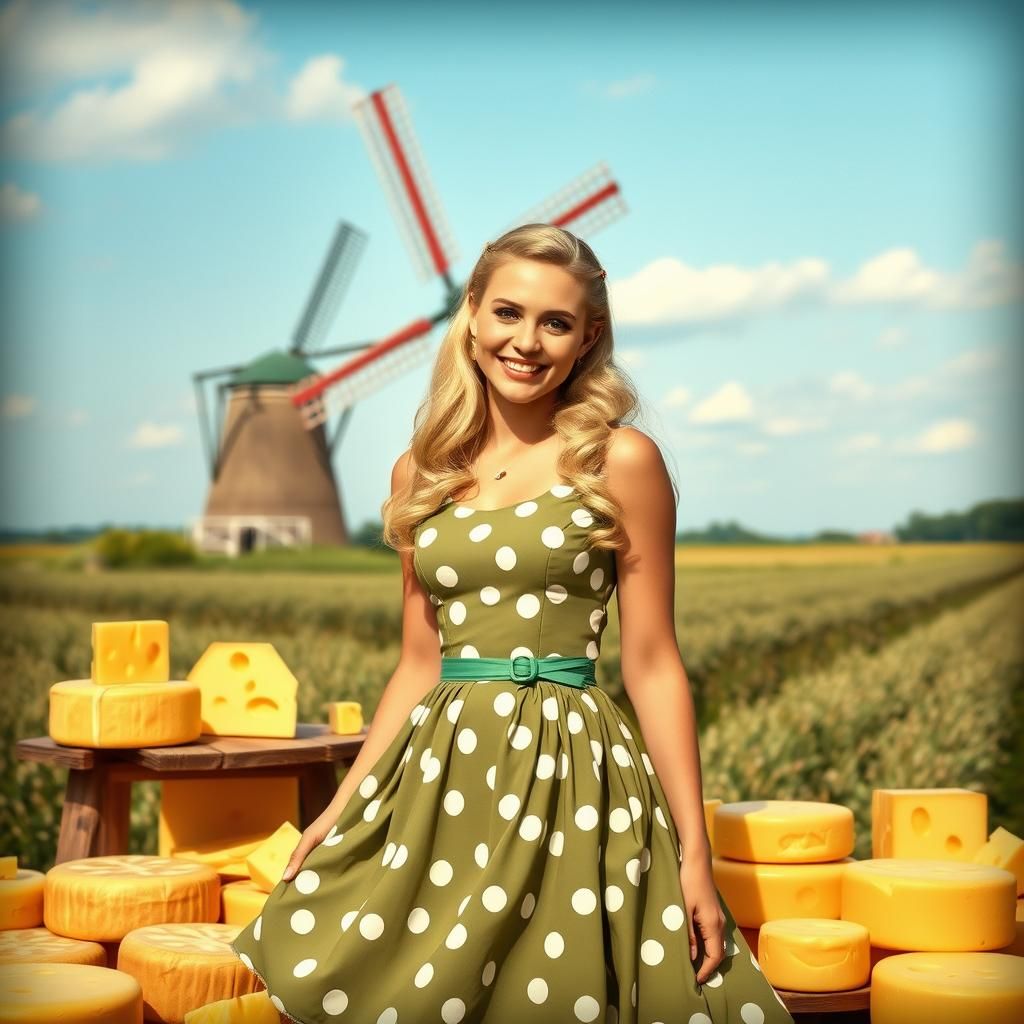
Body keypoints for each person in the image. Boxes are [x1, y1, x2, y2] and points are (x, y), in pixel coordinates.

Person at [231, 223, 795, 1024]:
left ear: (588, 336)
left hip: (573, 777)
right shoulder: (419, 472)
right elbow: (418, 665)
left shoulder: (621, 460)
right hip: (437, 781)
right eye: (507, 313)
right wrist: (339, 808)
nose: (525, 342)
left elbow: (653, 664)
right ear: (471, 314)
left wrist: (693, 856)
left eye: (554, 322)